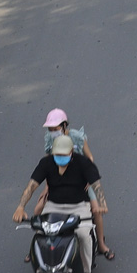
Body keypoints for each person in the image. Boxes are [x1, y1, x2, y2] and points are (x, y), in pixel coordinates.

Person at [14, 134, 107, 273]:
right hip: (53, 206)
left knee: (83, 235)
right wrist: (21, 207)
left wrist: (102, 204)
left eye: (64, 155)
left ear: (71, 152)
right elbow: (32, 186)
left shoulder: (83, 163)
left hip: (78, 206)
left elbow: (96, 184)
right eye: (57, 154)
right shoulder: (46, 163)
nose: (60, 157)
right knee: (41, 236)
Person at [40, 109, 112, 259]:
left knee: (96, 209)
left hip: (82, 177)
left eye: (56, 128)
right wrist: (47, 186)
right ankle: (39, 245)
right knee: (41, 208)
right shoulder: (50, 139)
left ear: (64, 125)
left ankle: (101, 243)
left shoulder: (77, 137)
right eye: (50, 129)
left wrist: (87, 179)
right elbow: (49, 163)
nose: (53, 132)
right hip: (59, 178)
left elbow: (89, 157)